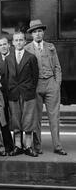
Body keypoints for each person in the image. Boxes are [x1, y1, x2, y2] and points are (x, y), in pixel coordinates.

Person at [24, 20, 67, 156]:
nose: (38, 34)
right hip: (36, 86)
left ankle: (58, 146)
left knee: (54, 116)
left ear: (43, 32)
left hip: (50, 84)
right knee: (36, 118)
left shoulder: (50, 47)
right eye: (35, 32)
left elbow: (57, 67)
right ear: (31, 34)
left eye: (40, 31)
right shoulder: (27, 48)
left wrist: (56, 83)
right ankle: (37, 147)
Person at [6, 32, 39, 157]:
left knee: (28, 119)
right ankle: (18, 146)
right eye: (16, 40)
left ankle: (29, 147)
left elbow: (35, 77)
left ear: (25, 42)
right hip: (14, 93)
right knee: (15, 120)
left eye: (21, 40)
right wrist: (10, 90)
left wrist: (30, 89)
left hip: (27, 93)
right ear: (13, 43)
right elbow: (7, 77)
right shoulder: (8, 58)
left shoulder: (31, 57)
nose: (18, 42)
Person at [0, 37, 14, 153]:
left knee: (16, 119)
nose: (3, 47)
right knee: (3, 120)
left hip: (14, 93)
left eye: (5, 44)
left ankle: (19, 144)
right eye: (0, 45)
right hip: (1, 94)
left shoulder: (14, 57)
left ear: (9, 45)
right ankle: (8, 145)